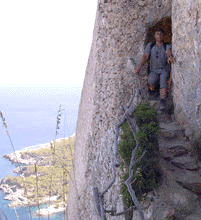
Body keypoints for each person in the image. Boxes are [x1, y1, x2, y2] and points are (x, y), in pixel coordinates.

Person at [134, 27, 176, 110]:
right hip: (154, 70)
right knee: (151, 80)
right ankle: (157, 91)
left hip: (164, 69)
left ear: (163, 36)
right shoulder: (151, 45)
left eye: (161, 34)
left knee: (163, 79)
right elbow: (145, 56)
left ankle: (163, 100)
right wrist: (138, 68)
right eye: (157, 34)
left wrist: (170, 57)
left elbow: (168, 52)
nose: (159, 36)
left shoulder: (166, 46)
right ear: (154, 36)